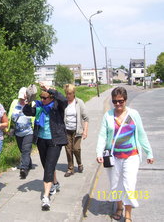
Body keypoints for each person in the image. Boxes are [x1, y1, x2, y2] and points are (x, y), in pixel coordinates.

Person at [96, 87, 154, 222]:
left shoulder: (133, 114)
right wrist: (99, 151)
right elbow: (102, 135)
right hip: (114, 157)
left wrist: (149, 152)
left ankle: (128, 214)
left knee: (129, 184)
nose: (117, 104)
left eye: (120, 101)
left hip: (131, 156)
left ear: (125, 100)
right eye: (115, 101)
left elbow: (141, 134)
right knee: (116, 185)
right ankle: (119, 207)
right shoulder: (108, 116)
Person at [23, 82, 68, 210]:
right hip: (41, 141)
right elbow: (26, 111)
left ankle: (46, 198)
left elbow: (64, 99)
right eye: (41, 98)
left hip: (55, 141)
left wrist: (49, 89)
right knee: (47, 165)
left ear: (52, 98)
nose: (42, 100)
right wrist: (28, 101)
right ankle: (55, 182)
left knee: (49, 167)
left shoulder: (58, 107)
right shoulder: (39, 107)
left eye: (45, 98)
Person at [6, 87, 35, 178]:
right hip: (18, 132)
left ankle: (24, 169)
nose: (21, 100)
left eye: (23, 98)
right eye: (20, 98)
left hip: (29, 131)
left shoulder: (32, 103)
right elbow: (9, 115)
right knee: (22, 150)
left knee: (26, 150)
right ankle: (28, 163)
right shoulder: (14, 103)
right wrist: (7, 128)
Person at [63, 84, 89, 177]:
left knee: (76, 148)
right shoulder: (64, 102)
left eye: (70, 94)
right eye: (67, 94)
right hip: (66, 130)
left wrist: (85, 131)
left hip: (77, 130)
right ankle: (70, 169)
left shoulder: (79, 102)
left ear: (74, 93)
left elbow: (86, 118)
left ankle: (79, 163)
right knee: (68, 149)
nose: (68, 96)